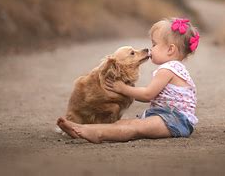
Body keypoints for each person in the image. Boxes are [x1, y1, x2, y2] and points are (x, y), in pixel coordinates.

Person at [56, 17, 199, 144]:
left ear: (170, 50)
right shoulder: (173, 68)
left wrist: (122, 89)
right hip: (165, 117)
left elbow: (147, 95)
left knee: (135, 128)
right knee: (125, 122)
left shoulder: (168, 69)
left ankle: (97, 133)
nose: (151, 49)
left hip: (175, 120)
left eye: (154, 44)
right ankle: (82, 128)